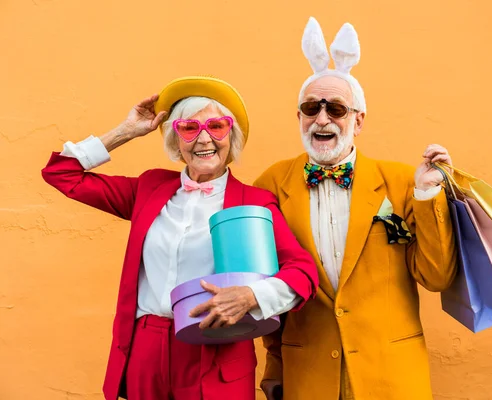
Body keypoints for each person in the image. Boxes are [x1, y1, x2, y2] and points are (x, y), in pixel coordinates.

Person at [41, 76, 318, 400]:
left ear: (232, 135)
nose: (204, 139)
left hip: (217, 349)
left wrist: (251, 296)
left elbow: (303, 272)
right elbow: (62, 174)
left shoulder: (253, 201)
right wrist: (126, 131)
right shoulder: (149, 187)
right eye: (189, 128)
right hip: (147, 349)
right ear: (176, 139)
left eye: (216, 126)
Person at [256, 18, 457, 400]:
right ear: (298, 117)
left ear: (358, 120)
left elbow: (436, 277)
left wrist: (429, 196)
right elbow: (266, 286)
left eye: (336, 109)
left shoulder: (401, 183)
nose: (322, 118)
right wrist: (274, 367)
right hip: (308, 378)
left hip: (391, 377)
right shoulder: (271, 184)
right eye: (311, 107)